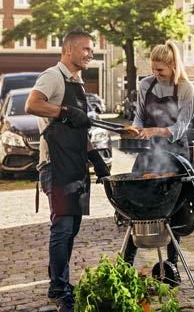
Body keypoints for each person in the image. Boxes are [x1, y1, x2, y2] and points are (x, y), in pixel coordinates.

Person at [25, 30, 110, 312]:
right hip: (55, 167)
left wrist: (95, 158)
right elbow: (32, 104)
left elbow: (75, 130)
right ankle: (59, 289)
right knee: (62, 228)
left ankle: (57, 281)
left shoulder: (77, 82)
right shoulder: (53, 76)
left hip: (75, 165)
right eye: (85, 49)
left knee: (71, 228)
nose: (90, 54)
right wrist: (62, 111)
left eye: (92, 51)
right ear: (69, 49)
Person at [123, 39, 194, 274]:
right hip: (149, 153)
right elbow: (139, 117)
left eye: (160, 70)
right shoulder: (146, 85)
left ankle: (172, 265)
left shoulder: (185, 88)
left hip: (175, 155)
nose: (156, 74)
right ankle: (126, 263)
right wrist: (135, 129)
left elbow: (182, 126)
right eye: (153, 69)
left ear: (173, 66)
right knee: (138, 209)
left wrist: (157, 131)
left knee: (174, 211)